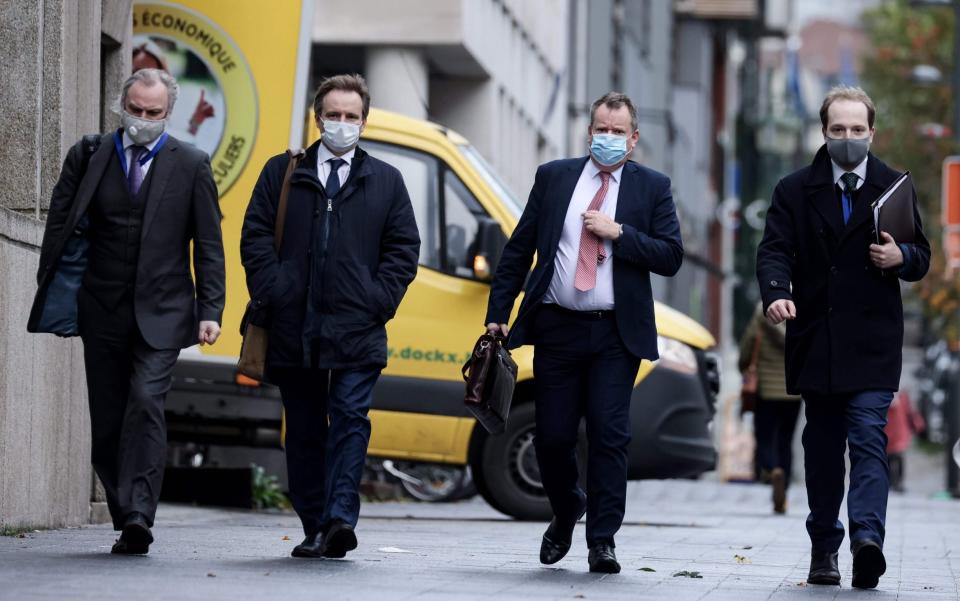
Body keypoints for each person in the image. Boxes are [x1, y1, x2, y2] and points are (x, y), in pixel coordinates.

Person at [28, 68, 225, 554]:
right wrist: (52, 286)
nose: (142, 119)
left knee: (146, 403)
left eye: (152, 113)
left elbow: (209, 245)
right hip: (102, 307)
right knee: (110, 420)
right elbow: (60, 220)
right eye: (134, 110)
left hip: (164, 311)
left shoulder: (192, 164)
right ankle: (125, 508)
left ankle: (139, 514)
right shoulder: (90, 154)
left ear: (168, 114)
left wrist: (211, 309)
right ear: (122, 104)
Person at [485, 92, 683, 574]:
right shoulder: (555, 178)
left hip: (615, 335)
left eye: (618, 131)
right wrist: (498, 312)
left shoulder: (652, 188)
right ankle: (567, 507)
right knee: (552, 437)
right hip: (558, 327)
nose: (607, 138)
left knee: (609, 435)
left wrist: (620, 233)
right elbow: (520, 248)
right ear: (589, 131)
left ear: (633, 140)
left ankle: (603, 540)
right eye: (601, 128)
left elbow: (670, 255)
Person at [756, 85, 930, 589]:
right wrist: (775, 293)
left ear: (872, 132)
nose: (848, 138)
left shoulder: (895, 185)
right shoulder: (793, 189)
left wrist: (902, 258)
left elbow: (921, 254)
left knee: (869, 439)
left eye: (857, 130)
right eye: (839, 130)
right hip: (817, 339)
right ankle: (824, 547)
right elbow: (773, 251)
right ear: (824, 132)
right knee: (824, 449)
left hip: (873, 342)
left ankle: (867, 540)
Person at [240, 74, 419, 560]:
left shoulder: (385, 180)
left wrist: (376, 300)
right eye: (333, 115)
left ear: (365, 120)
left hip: (357, 330)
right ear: (318, 118)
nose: (342, 124)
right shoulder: (283, 172)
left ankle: (340, 517)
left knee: (350, 417)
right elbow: (255, 234)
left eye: (351, 116)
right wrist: (276, 290)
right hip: (294, 328)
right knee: (302, 428)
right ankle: (314, 523)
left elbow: (404, 249)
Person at [737, 302, 802, 514]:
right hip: (793, 390)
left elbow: (747, 345)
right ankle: (783, 495)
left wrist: (743, 367)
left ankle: (773, 470)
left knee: (765, 436)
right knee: (786, 440)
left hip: (766, 390)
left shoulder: (762, 312)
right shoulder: (798, 312)